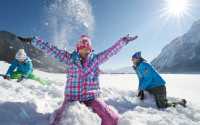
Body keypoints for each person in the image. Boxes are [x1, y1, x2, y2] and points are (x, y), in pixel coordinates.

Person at [18, 34, 138, 125]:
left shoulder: (96, 59)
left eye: (87, 48)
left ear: (90, 49)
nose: (85, 51)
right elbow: (52, 50)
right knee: (60, 120)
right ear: (78, 49)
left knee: (109, 117)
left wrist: (124, 41)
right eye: (82, 48)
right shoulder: (69, 59)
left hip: (91, 97)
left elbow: (110, 52)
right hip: (72, 98)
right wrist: (34, 40)